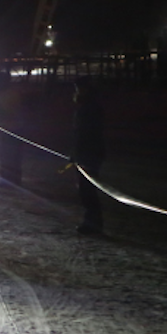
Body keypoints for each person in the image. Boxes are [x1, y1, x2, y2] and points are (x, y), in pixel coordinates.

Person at [70, 76, 106, 235]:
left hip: (88, 153)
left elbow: (85, 133)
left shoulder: (88, 107)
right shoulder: (88, 106)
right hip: (89, 152)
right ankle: (91, 221)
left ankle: (93, 223)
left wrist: (77, 152)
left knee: (87, 189)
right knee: (86, 189)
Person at [0, 71, 24, 187]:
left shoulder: (10, 94)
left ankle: (10, 179)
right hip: (5, 127)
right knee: (6, 155)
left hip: (11, 128)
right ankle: (8, 177)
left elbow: (12, 112)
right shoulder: (4, 93)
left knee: (10, 155)